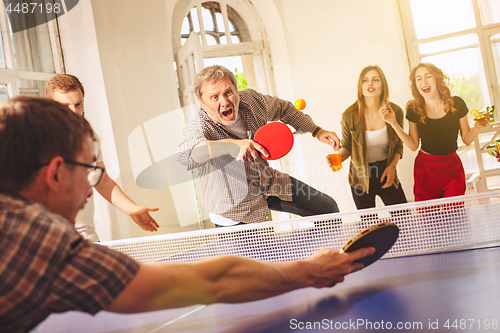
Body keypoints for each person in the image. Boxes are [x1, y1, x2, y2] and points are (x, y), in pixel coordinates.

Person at [0, 96, 375, 333]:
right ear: (53, 174)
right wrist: (307, 271)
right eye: (90, 172)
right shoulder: (37, 241)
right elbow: (210, 282)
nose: (90, 187)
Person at [176, 65, 340, 227]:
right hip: (234, 206)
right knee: (262, 251)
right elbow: (185, 154)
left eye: (228, 92)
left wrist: (316, 130)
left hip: (266, 180)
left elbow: (283, 108)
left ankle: (330, 253)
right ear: (202, 102)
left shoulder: (252, 101)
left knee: (327, 209)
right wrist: (231, 146)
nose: (225, 102)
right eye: (214, 97)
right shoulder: (199, 126)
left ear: (236, 89)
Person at [45, 74, 159, 241]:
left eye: (78, 104)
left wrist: (131, 208)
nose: (74, 112)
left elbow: (100, 179)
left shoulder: (90, 137)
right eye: (65, 106)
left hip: (87, 237)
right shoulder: (35, 140)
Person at [380, 63, 488, 201]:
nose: (423, 81)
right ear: (415, 85)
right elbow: (413, 145)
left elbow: (467, 139)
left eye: (428, 76)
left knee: (455, 215)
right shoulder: (414, 109)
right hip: (426, 169)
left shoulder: (457, 104)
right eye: (418, 79)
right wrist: (393, 123)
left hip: (452, 168)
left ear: (437, 79)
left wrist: (478, 127)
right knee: (429, 218)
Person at [339, 66, 407, 210]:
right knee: (369, 226)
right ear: (360, 87)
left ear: (383, 86)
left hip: (387, 172)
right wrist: (337, 157)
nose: (370, 84)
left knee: (403, 219)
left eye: (375, 80)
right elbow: (347, 147)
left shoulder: (395, 111)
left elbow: (399, 145)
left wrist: (392, 166)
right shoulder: (349, 115)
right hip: (359, 177)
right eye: (365, 81)